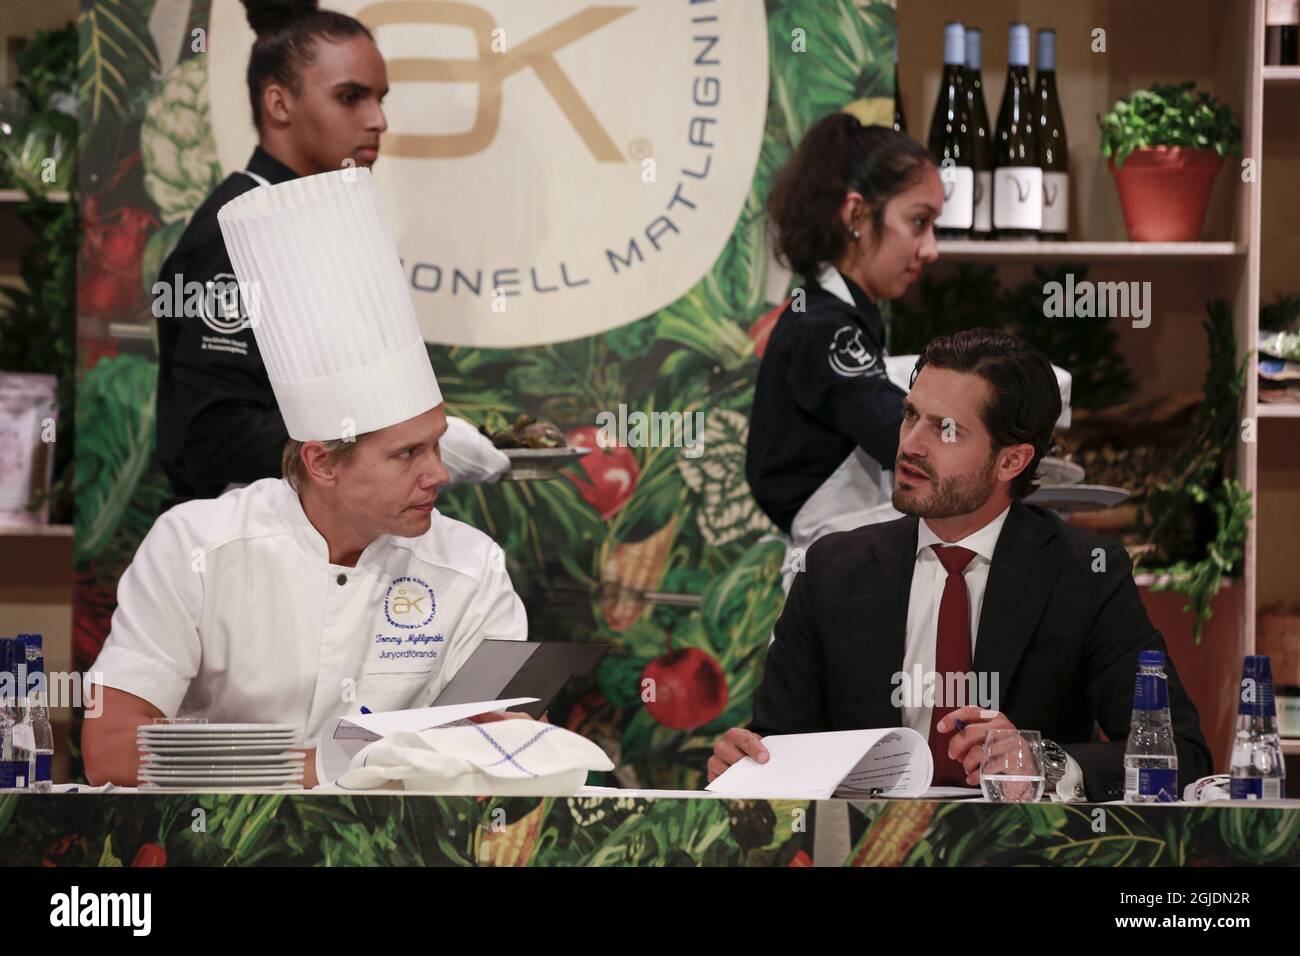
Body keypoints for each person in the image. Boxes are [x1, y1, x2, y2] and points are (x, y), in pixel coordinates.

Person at [85, 168, 526, 789]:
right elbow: (111, 748)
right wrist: (326, 770)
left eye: (435, 444)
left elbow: (501, 750)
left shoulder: (473, 568)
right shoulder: (194, 546)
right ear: (322, 462)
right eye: (407, 455)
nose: (439, 473)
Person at [712, 329, 1213, 801]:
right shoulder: (832, 568)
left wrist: (1045, 762)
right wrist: (751, 757)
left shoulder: (1085, 574)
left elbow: (1180, 758)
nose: (910, 445)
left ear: (1011, 462)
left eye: (946, 430)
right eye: (911, 416)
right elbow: (781, 742)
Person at [154, 0, 506, 501]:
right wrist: (391, 443)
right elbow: (211, 439)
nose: (378, 119)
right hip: (246, 549)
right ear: (279, 104)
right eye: (350, 97)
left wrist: (406, 434)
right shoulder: (234, 234)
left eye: (380, 98)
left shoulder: (319, 223)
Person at [746, 113, 941, 587]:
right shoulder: (825, 327)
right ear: (855, 215)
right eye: (919, 222)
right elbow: (902, 440)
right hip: (841, 587)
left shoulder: (840, 319)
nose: (931, 248)